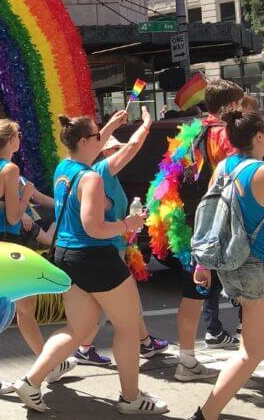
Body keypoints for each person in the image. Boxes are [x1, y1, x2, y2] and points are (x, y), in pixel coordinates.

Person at [11, 115, 167, 414]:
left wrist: (109, 126)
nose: (102, 140)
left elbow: (92, 145)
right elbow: (94, 227)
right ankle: (131, 399)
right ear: (84, 141)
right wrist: (126, 224)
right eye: (98, 136)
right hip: (95, 257)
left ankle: (31, 381)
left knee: (78, 328)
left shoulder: (63, 168)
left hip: (66, 256)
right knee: (128, 326)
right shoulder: (91, 178)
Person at [0, 119, 71, 397]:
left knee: (24, 308)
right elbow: (14, 216)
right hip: (4, 247)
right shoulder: (10, 170)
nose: (20, 138)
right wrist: (24, 197)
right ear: (11, 139)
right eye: (19, 135)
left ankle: (49, 365)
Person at [72, 111, 169, 367]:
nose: (115, 152)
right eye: (110, 148)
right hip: (102, 248)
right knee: (112, 305)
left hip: (106, 246)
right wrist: (146, 124)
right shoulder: (100, 171)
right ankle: (84, 349)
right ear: (101, 151)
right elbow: (134, 146)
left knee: (114, 302)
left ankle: (144, 341)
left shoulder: (94, 172)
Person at [189, 110, 264, 420]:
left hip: (232, 264)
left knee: (251, 350)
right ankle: (206, 414)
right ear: (259, 137)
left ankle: (207, 414)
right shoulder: (259, 172)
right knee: (251, 353)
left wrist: (201, 263)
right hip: (257, 268)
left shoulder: (225, 166)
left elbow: (208, 215)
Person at [173, 80, 245, 383]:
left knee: (194, 293)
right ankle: (248, 357)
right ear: (229, 106)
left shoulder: (193, 134)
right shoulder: (226, 136)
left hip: (196, 221)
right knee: (247, 292)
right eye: (239, 104)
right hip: (223, 225)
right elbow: (238, 179)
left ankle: (186, 359)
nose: (241, 109)